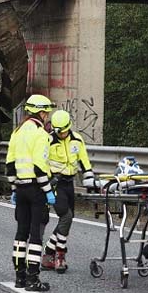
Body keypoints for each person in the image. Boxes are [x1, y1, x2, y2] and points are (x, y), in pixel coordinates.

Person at [7, 94, 56, 291]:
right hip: (36, 190)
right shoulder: (41, 134)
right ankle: (33, 279)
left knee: (21, 233)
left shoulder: (17, 132)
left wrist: (14, 188)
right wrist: (48, 191)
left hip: (20, 188)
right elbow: (39, 167)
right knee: (35, 235)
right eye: (46, 112)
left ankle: (19, 278)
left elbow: (10, 165)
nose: (47, 116)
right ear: (40, 112)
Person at [40, 109, 97, 273]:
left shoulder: (77, 139)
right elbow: (43, 164)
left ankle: (48, 254)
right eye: (60, 132)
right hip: (55, 184)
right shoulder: (49, 141)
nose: (63, 134)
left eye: (65, 131)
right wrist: (47, 184)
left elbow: (84, 161)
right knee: (66, 216)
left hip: (69, 183)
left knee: (67, 220)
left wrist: (89, 176)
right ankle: (60, 255)